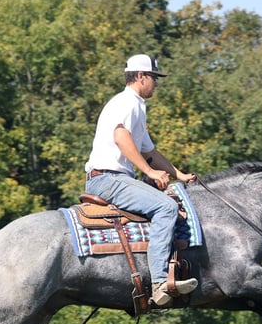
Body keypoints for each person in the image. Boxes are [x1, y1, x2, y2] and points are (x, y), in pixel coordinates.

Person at [84, 54, 198, 306]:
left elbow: (150, 152)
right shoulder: (127, 102)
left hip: (111, 178)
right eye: (154, 78)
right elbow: (121, 137)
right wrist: (149, 171)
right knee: (166, 206)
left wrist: (180, 175)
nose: (156, 84)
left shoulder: (135, 105)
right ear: (140, 77)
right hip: (108, 179)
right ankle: (159, 283)